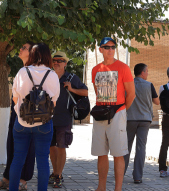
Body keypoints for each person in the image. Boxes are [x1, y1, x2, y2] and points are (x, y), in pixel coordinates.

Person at [9, 43, 60, 191]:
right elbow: (54, 102)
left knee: (17, 159)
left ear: (32, 55)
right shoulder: (52, 75)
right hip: (44, 124)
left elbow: (15, 98)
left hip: (22, 122)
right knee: (43, 160)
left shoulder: (22, 72)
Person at [0, 42, 36, 191]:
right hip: (16, 114)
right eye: (21, 47)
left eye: (24, 48)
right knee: (11, 146)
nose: (20, 49)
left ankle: (23, 180)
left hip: (29, 116)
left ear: (32, 52)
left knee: (28, 148)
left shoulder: (35, 71)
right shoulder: (22, 70)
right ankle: (7, 178)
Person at [91, 37, 135, 191]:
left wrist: (121, 110)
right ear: (100, 49)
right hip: (100, 114)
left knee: (118, 153)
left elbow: (131, 94)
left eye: (112, 47)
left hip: (117, 113)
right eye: (106, 47)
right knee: (101, 153)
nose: (110, 50)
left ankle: (118, 189)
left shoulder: (123, 68)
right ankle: (101, 187)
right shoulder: (95, 69)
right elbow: (97, 92)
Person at [49, 51, 88, 187]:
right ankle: (55, 172)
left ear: (65, 63)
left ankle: (59, 175)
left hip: (64, 119)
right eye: (54, 60)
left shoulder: (71, 77)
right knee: (51, 148)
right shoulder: (48, 76)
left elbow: (86, 92)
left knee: (61, 147)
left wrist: (71, 89)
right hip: (48, 119)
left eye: (60, 60)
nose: (56, 62)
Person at [124, 63, 160, 184]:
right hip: (145, 119)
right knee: (141, 147)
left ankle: (121, 172)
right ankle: (138, 177)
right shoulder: (149, 85)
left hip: (130, 118)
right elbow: (157, 102)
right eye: (147, 71)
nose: (148, 73)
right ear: (143, 72)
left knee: (126, 147)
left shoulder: (128, 84)